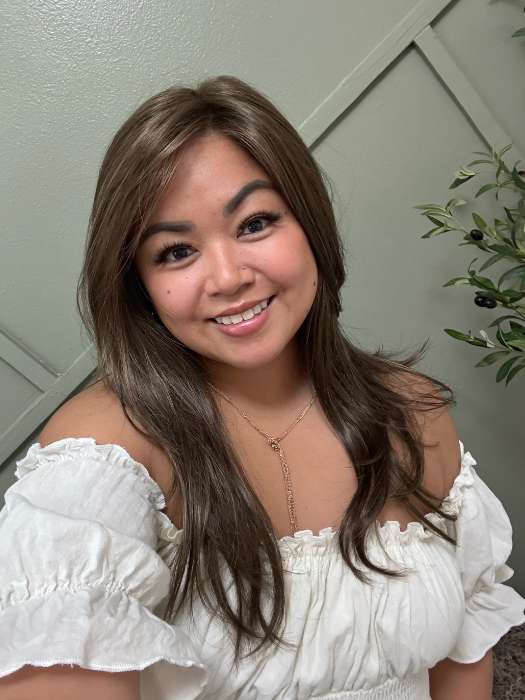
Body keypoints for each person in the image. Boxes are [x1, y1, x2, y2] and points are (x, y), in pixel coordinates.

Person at [0, 75, 523, 700]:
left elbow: (463, 652)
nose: (227, 277)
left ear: (309, 223)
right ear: (139, 283)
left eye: (254, 223)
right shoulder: (106, 453)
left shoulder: (412, 412)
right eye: (175, 252)